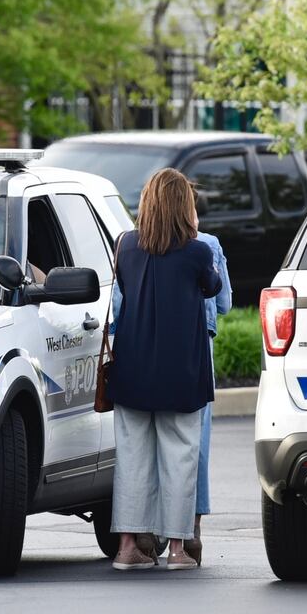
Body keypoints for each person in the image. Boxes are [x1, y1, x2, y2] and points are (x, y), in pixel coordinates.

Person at [106, 169, 222, 571]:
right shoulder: (198, 251)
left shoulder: (126, 246)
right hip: (181, 372)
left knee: (132, 461)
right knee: (180, 459)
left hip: (133, 369)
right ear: (183, 206)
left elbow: (121, 291)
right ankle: (176, 550)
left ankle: (127, 548)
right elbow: (213, 289)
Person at [189, 229, 231, 564]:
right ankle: (192, 529)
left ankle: (144, 532)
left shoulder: (133, 241)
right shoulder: (207, 245)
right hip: (199, 344)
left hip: (146, 344)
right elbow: (224, 303)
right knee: (195, 442)